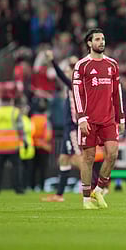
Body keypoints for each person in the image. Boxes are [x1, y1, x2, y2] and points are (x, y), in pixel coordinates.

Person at [72, 28, 125, 210]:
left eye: (103, 39)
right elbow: (77, 93)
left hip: (108, 118)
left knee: (113, 153)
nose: (101, 42)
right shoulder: (82, 65)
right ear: (89, 43)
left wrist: (121, 117)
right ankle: (87, 198)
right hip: (88, 119)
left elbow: (117, 92)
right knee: (88, 157)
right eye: (97, 39)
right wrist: (81, 118)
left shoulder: (112, 65)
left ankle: (99, 189)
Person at [42, 51, 81, 202]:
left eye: (68, 70)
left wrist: (52, 61)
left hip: (73, 128)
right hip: (68, 128)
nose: (65, 73)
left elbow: (61, 75)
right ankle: (59, 195)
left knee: (80, 159)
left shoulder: (75, 85)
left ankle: (93, 189)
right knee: (64, 160)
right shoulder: (70, 88)